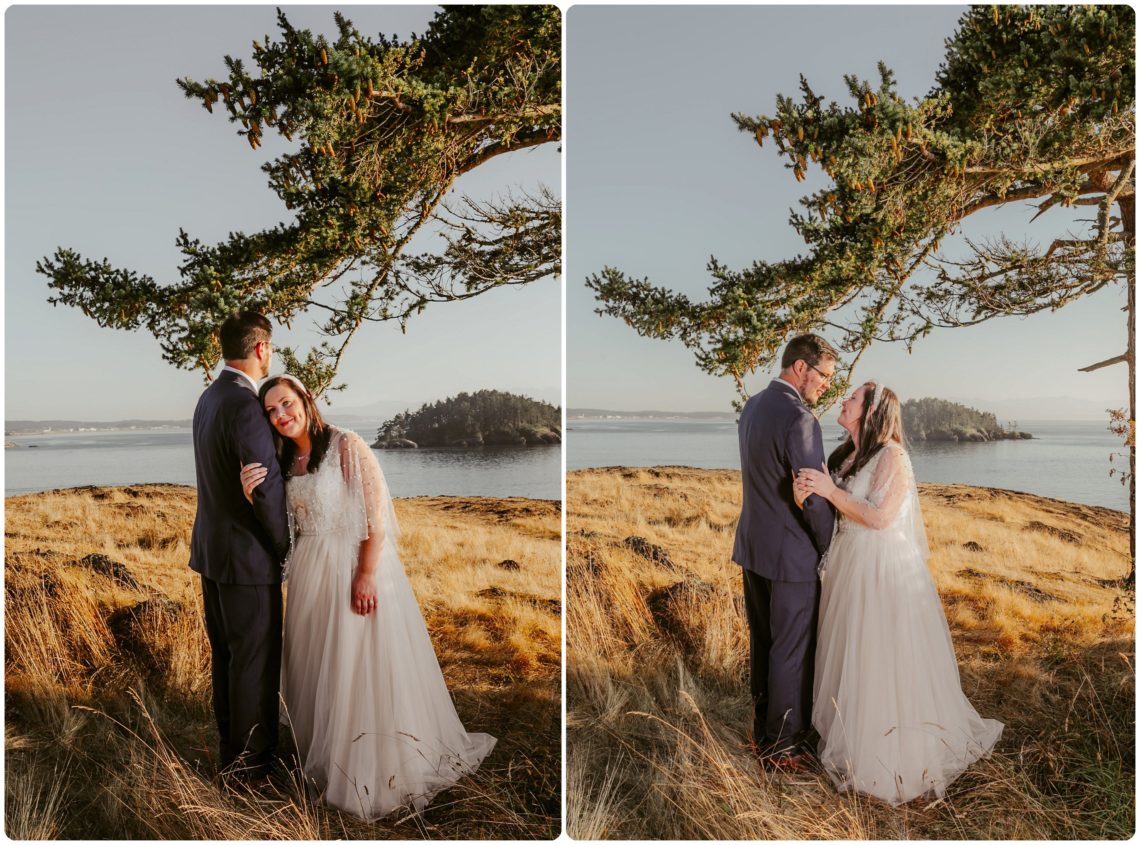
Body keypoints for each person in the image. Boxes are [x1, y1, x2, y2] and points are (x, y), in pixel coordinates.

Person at [239, 374, 496, 820]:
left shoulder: (345, 445)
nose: (281, 415)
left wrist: (365, 575)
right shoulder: (284, 458)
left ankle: (372, 766)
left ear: (305, 399)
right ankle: (326, 758)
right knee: (318, 663)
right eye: (271, 411)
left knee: (355, 662)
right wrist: (253, 494)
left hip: (349, 566)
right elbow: (283, 527)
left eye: (286, 403)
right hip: (308, 573)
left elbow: (377, 517)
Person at [795, 382, 1003, 805]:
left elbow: (881, 516)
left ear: (871, 412)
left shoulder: (893, 455)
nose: (843, 400)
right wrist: (808, 496)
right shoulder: (847, 455)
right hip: (847, 563)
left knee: (879, 655)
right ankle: (849, 734)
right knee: (850, 651)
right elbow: (835, 510)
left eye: (852, 398)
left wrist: (830, 491)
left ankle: (887, 755)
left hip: (880, 568)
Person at [189, 311, 290, 780]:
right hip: (248, 560)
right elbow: (265, 490)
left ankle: (232, 755)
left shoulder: (208, 398)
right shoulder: (247, 405)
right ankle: (251, 770)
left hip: (213, 555)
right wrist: (286, 547)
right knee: (254, 664)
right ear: (261, 349)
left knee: (228, 659)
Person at [731, 334, 838, 771]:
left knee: (765, 642)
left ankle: (763, 732)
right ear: (800, 367)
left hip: (754, 546)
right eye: (825, 376)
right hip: (792, 555)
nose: (827, 386)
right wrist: (830, 546)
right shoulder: (801, 418)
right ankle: (783, 746)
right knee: (791, 649)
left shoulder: (752, 406)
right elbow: (812, 495)